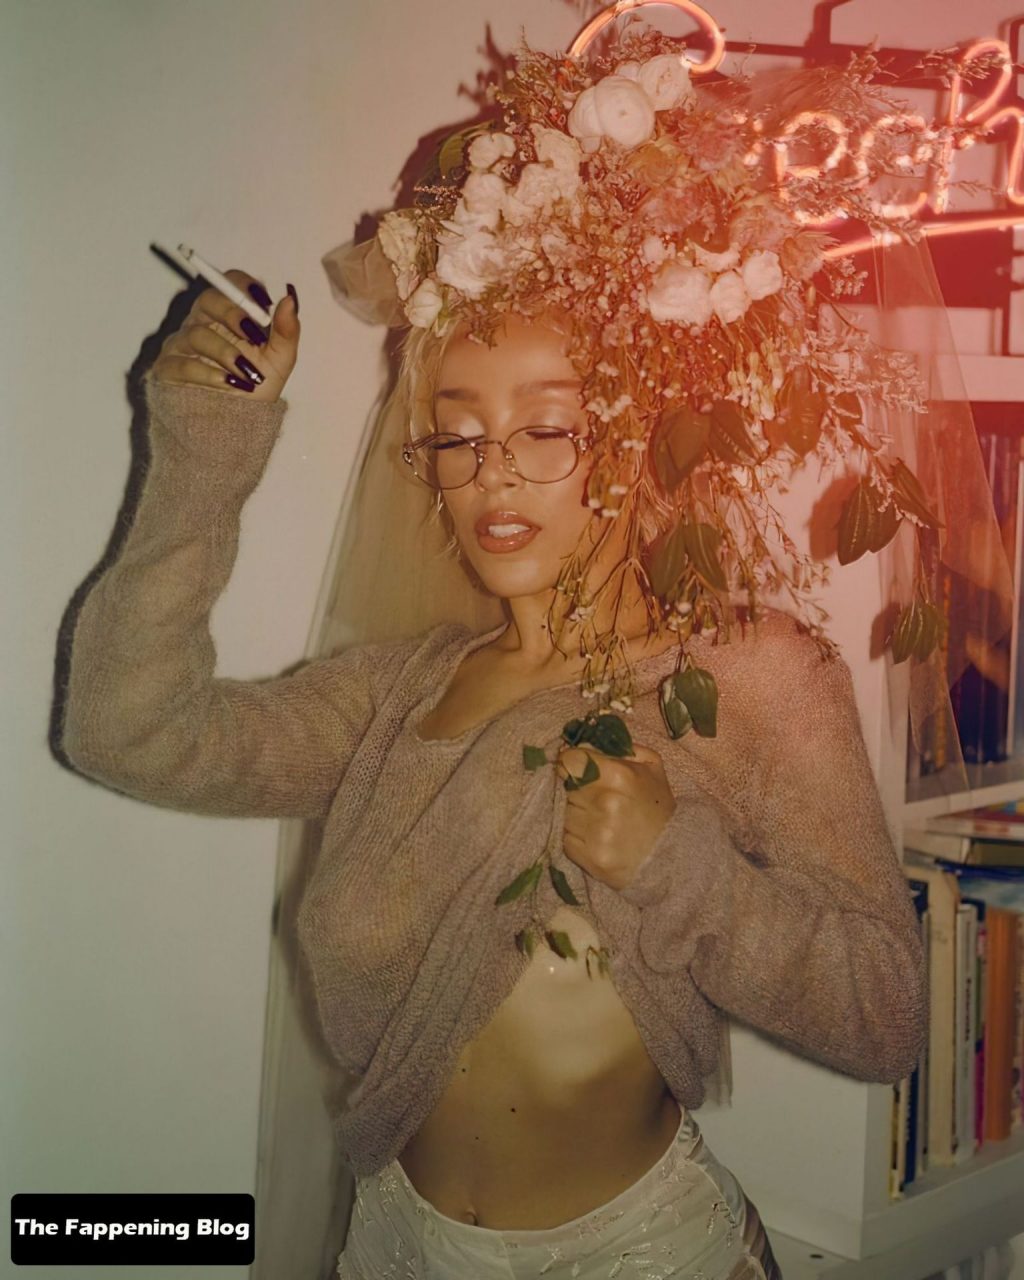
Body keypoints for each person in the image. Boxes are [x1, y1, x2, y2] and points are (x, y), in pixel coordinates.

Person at [61, 8, 1007, 1278]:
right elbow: (126, 730)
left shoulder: (744, 678)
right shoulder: (397, 695)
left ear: (636, 437)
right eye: (456, 432)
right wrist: (201, 451)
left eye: (546, 426)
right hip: (394, 1245)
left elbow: (886, 1015)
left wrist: (674, 862)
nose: (491, 470)